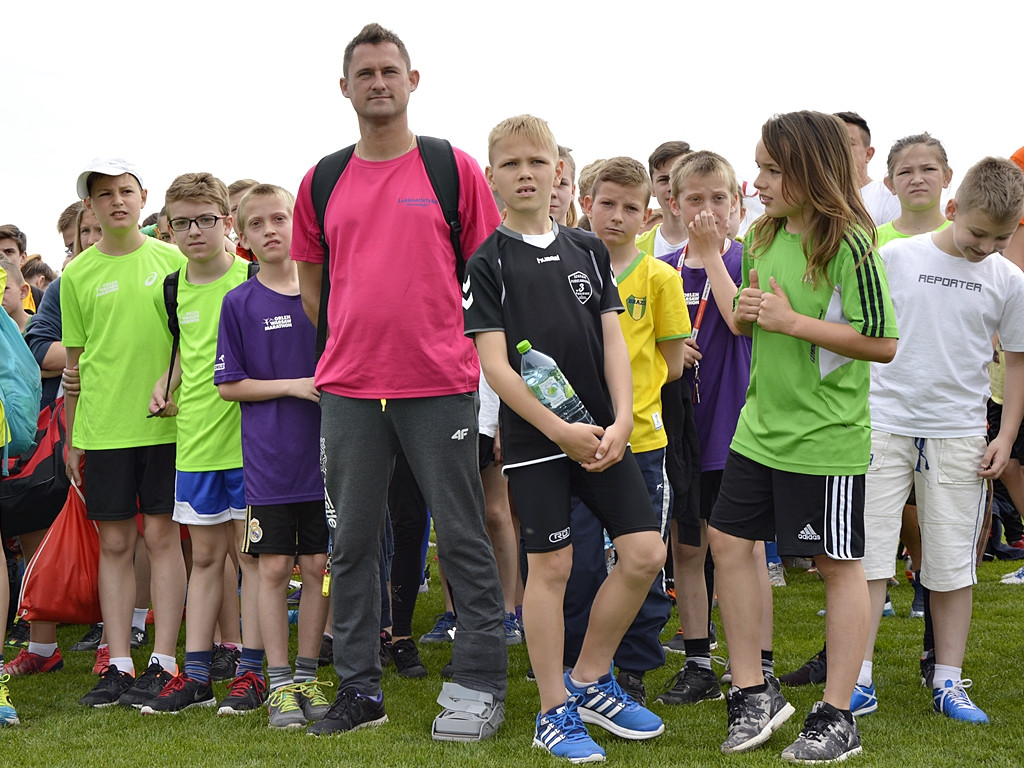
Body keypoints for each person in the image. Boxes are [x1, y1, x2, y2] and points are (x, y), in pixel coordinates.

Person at [292, 22, 507, 741]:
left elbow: (488, 279)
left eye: (390, 71)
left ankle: (479, 682)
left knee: (463, 537)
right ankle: (360, 690)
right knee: (351, 544)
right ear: (344, 87)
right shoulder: (322, 179)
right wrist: (359, 342)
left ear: (412, 81)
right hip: (350, 390)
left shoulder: (452, 168)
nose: (378, 82)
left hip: (439, 384)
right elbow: (315, 288)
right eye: (366, 73)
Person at [466, 114, 667, 763]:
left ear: (558, 171)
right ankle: (553, 710)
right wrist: (558, 429)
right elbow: (496, 367)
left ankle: (590, 679)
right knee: (551, 568)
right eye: (511, 164)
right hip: (538, 441)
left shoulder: (586, 249)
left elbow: (613, 340)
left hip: (605, 433)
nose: (525, 174)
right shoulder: (487, 262)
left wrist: (624, 419)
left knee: (644, 554)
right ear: (492, 176)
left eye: (537, 162)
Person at [706, 111, 897, 763]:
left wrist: (793, 322)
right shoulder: (762, 235)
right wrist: (728, 283)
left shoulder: (851, 245)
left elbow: (883, 342)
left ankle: (838, 715)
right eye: (758, 167)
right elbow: (746, 321)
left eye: (771, 169)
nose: (757, 181)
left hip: (825, 442)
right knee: (728, 544)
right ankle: (754, 692)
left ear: (810, 171)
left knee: (834, 567)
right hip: (757, 432)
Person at [851, 156, 1024, 725]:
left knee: (952, 565)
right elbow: (856, 334)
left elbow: (1017, 363)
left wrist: (1006, 435)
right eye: (978, 233)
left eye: (1001, 238)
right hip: (882, 424)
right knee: (869, 560)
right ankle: (857, 677)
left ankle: (948, 680)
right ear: (953, 209)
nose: (987, 248)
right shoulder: (896, 256)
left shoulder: (1010, 279)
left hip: (960, 434)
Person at [561, 156, 688, 705]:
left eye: (630, 208)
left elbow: (673, 364)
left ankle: (633, 664)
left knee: (640, 559)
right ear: (586, 204)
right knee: (579, 559)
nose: (616, 216)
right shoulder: (562, 270)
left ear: (647, 215)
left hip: (640, 443)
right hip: (575, 439)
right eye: (607, 204)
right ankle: (576, 660)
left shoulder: (660, 278)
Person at [62, 158, 188, 708]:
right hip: (103, 428)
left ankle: (164, 661)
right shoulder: (76, 274)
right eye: (104, 194)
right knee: (114, 544)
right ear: (90, 206)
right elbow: (75, 365)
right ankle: (117, 661)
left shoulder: (173, 259)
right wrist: (72, 438)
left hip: (166, 425)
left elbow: (189, 340)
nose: (116, 201)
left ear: (142, 198)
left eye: (125, 191)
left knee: (162, 539)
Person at [141, 172, 260, 715]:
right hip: (194, 446)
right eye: (182, 222)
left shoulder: (252, 278)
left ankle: (252, 672)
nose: (194, 231)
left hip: (251, 447)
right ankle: (195, 677)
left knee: (251, 559)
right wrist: (165, 384)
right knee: (206, 558)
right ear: (168, 227)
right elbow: (183, 352)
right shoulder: (172, 288)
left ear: (227, 222)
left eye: (205, 220)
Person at [216, 183, 332, 728]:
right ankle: (279, 683)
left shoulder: (326, 291)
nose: (270, 231)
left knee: (318, 566)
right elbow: (229, 385)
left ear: (297, 222)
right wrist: (293, 385)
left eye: (279, 219)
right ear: (242, 235)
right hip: (270, 462)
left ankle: (308, 675)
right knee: (274, 568)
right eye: (257, 223)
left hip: (327, 457)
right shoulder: (238, 303)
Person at [652, 150, 761, 707]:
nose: (707, 210)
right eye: (694, 199)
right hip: (680, 433)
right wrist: (670, 350)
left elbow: (739, 320)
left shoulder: (745, 260)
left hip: (734, 428)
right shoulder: (662, 268)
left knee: (742, 551)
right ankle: (698, 661)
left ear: (737, 203)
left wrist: (713, 252)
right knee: (687, 548)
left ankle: (759, 663)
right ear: (673, 204)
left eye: (719, 198)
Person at [834, 111, 901, 226]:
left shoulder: (888, 197)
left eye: (848, 143)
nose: (839, 150)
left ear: (868, 154)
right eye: (833, 144)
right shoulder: (814, 200)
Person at [636, 142, 691, 260]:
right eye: (664, 180)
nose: (671, 187)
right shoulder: (636, 250)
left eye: (679, 178)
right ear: (652, 188)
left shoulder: (719, 244)